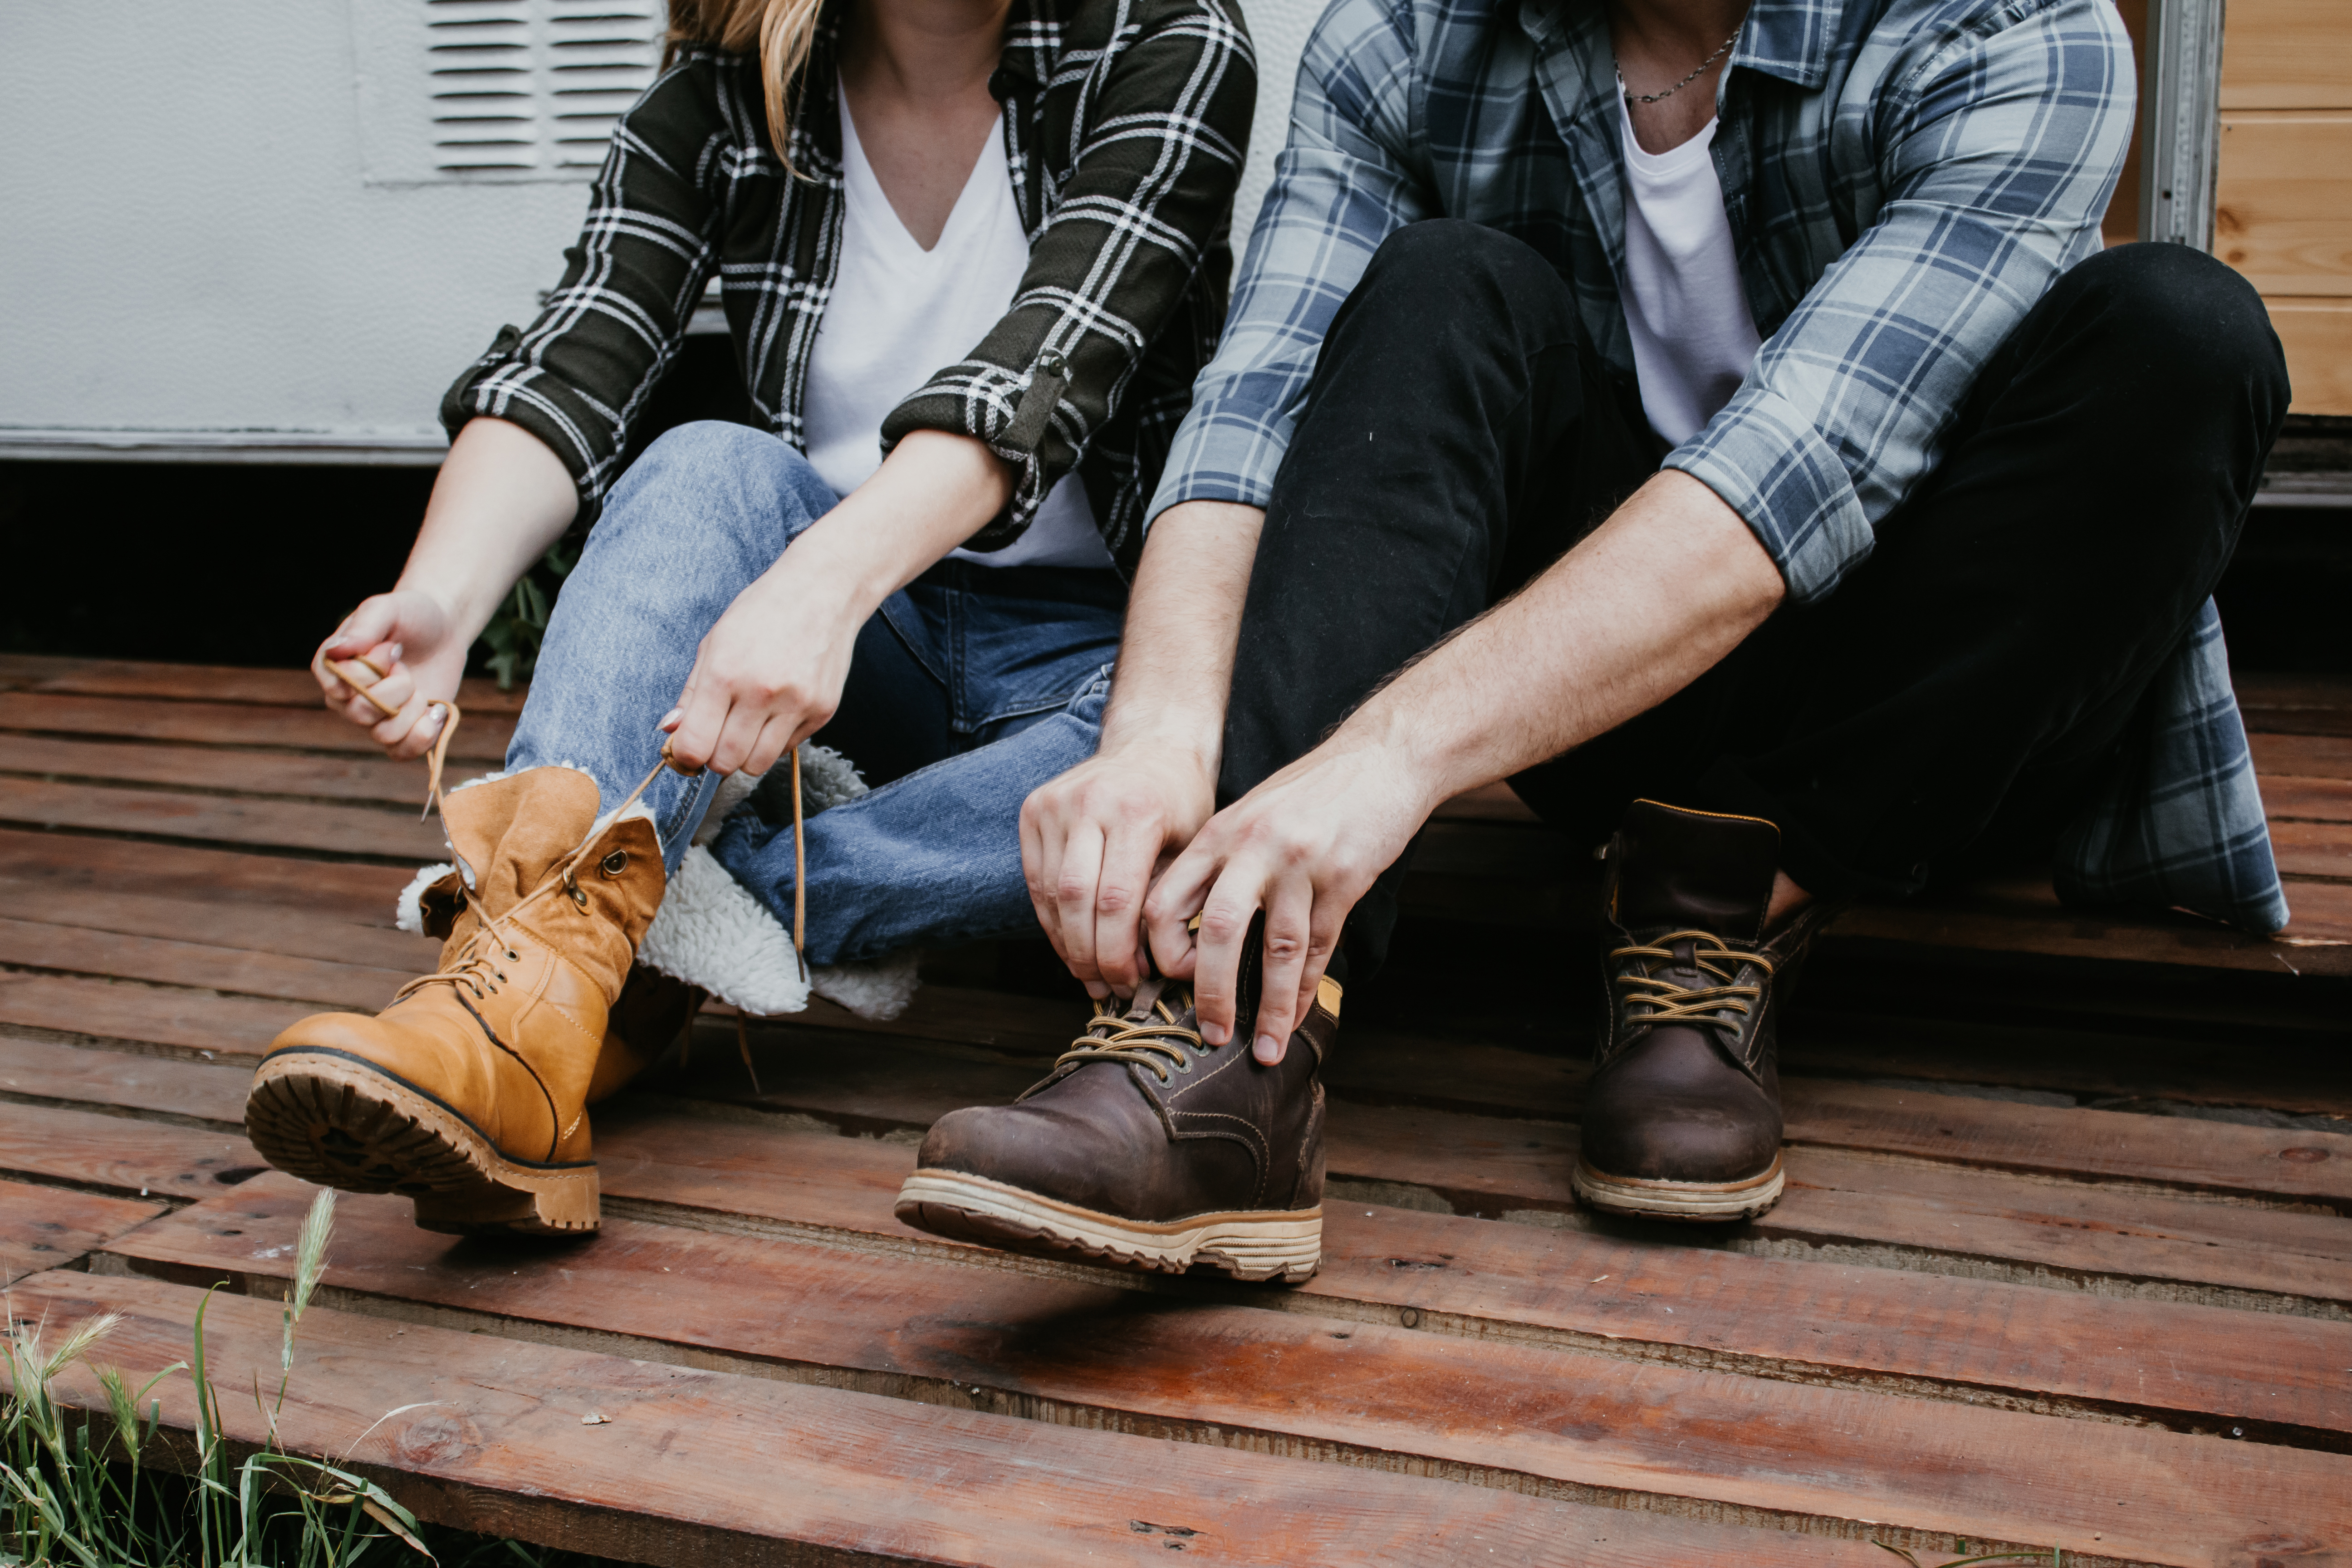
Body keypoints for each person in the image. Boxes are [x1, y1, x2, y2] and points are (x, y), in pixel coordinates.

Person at [897, 0, 2290, 1270]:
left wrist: (1388, 756)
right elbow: (1253, 408)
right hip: (1587, 700)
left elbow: (1794, 470)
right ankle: (1227, 1047)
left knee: (2184, 332)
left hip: (1913, 709)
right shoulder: (1397, 43)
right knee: (1445, 281)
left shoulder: (2005, 30)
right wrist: (1155, 742)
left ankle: (1732, 902)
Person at [240, 0, 1255, 1235]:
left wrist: (817, 585)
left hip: (1104, 659)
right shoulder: (729, 98)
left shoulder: (1164, 42)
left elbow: (1043, 373)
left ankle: (636, 934)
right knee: (703, 462)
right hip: (847, 667)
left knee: (1218, 740)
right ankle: (523, 998)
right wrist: (442, 596)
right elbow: (580, 354)